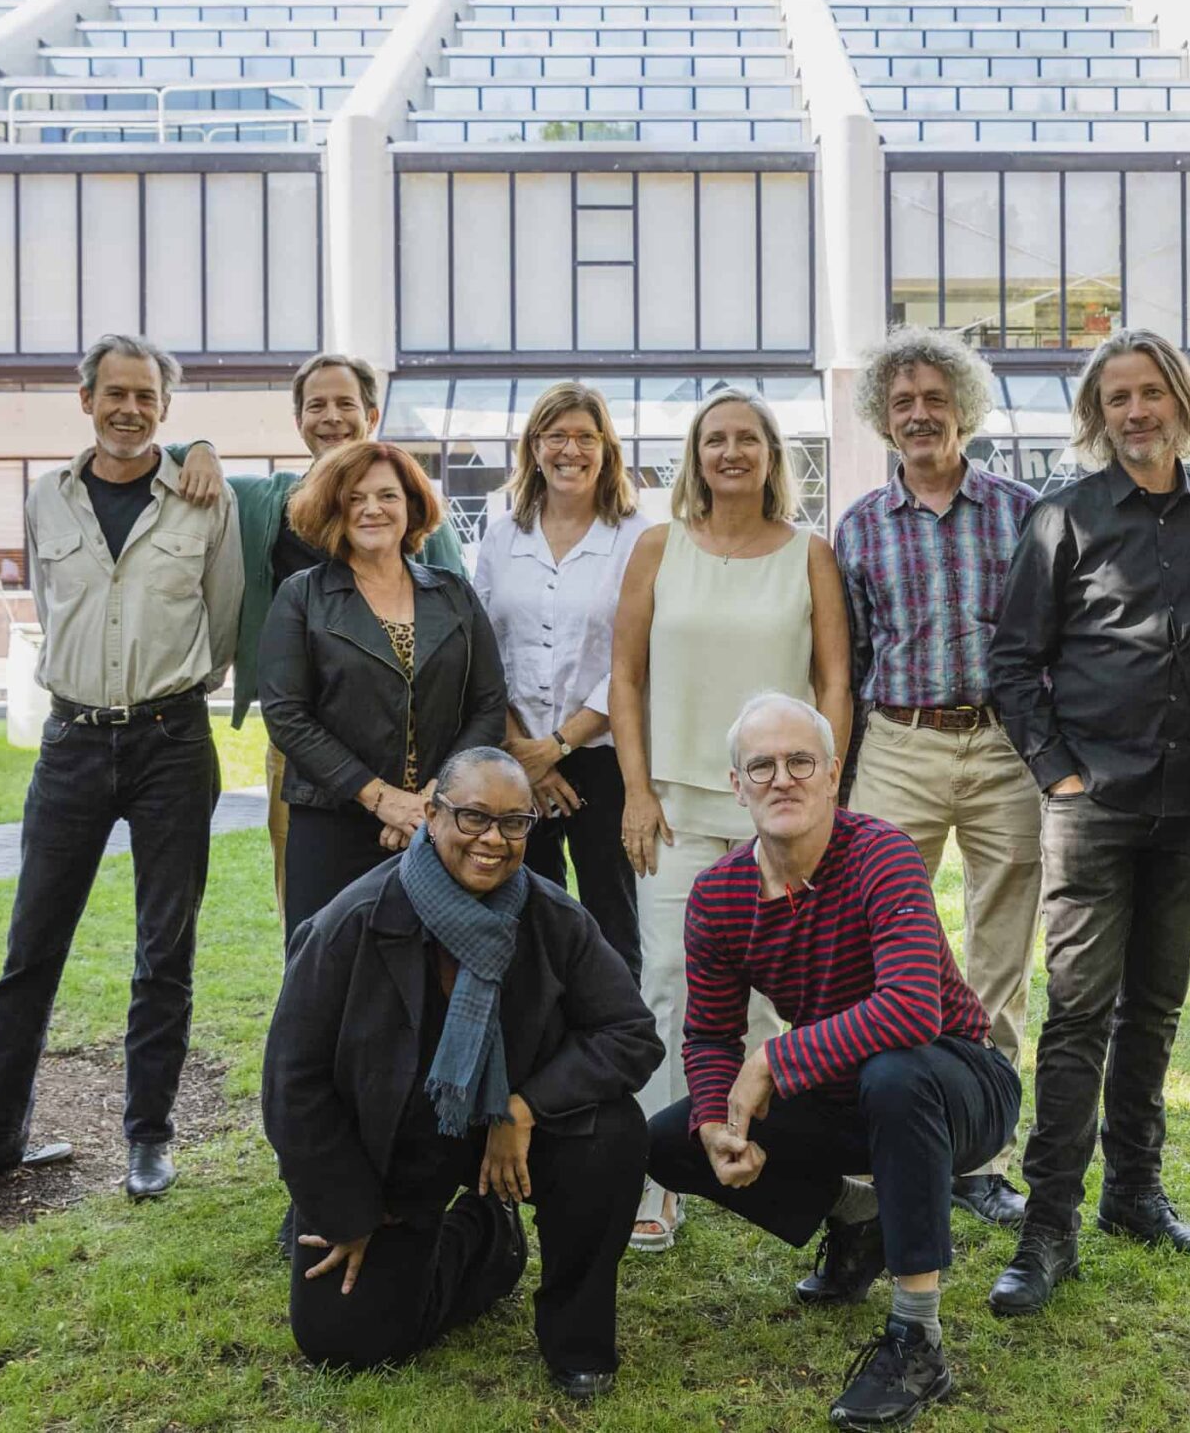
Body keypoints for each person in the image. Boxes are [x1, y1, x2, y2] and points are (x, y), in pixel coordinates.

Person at [0, 335, 240, 1204]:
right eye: (114, 393)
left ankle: (149, 1139)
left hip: (173, 743)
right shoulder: (45, 498)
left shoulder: (204, 499)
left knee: (163, 950)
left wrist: (202, 451)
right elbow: (50, 606)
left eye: (146, 395)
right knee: (30, 948)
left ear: (165, 409)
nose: (129, 408)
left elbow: (224, 621)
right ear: (87, 399)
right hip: (71, 745)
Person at [647, 695, 1019, 1430]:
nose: (781, 778)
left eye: (800, 762)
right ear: (737, 783)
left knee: (896, 1072)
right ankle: (859, 1216)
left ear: (831, 774)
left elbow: (913, 1010)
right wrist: (722, 1115)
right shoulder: (719, 895)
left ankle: (918, 1338)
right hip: (844, 1085)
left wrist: (774, 1062)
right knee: (669, 1136)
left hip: (959, 1078)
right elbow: (713, 1035)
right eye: (762, 765)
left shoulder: (880, 852)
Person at [985, 329, 1190, 1316]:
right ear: (1097, 416)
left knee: (1157, 1007)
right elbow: (1013, 662)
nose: (1134, 412)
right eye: (1115, 399)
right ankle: (1048, 1226)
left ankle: (1134, 1195)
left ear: (1180, 402)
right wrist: (1056, 776)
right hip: (1091, 803)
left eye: (1149, 394)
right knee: (1078, 1015)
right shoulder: (1063, 516)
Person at [262, 747, 661, 1404]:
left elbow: (631, 1034)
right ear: (432, 815)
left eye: (514, 823)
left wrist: (525, 1105)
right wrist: (351, 1211)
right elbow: (292, 1083)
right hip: (390, 1147)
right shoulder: (349, 923)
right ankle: (483, 1237)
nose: (493, 840)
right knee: (342, 1336)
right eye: (473, 816)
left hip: (514, 1133)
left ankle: (576, 1336)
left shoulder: (554, 918)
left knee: (613, 1133)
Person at [611, 385, 855, 1250]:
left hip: (781, 810)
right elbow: (627, 681)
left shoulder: (810, 555)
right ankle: (655, 1171)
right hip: (677, 803)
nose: (729, 452)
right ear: (695, 456)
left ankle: (750, 1154)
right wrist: (636, 790)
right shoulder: (656, 548)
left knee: (765, 1006)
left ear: (771, 454)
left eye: (746, 438)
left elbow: (833, 685)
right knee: (669, 983)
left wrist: (824, 791)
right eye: (714, 439)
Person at [831, 329, 1043, 1231]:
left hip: (1002, 747)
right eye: (902, 402)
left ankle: (983, 1153)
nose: (919, 414)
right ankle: (880, 1145)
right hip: (899, 743)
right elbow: (852, 654)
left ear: (965, 409)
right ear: (883, 418)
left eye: (934, 399)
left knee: (1001, 954)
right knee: (876, 944)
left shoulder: (1024, 510)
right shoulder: (858, 526)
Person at [168, 355, 464, 918]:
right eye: (316, 406)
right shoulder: (268, 504)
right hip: (303, 747)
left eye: (345, 404)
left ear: (371, 415)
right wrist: (199, 446)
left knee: (416, 897)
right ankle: (311, 1001)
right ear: (298, 419)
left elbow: (459, 612)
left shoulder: (410, 502)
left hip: (410, 744)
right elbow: (173, 462)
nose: (331, 418)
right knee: (308, 903)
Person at [258, 440, 507, 934]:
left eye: (387, 496)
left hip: (440, 824)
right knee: (326, 973)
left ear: (411, 507)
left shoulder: (453, 593)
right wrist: (380, 798)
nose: (372, 509)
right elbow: (287, 714)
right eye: (355, 498)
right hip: (332, 821)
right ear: (334, 509)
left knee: (430, 977)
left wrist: (435, 799)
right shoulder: (302, 595)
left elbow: (488, 705)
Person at [470, 383, 652, 972]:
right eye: (556, 436)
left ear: (607, 449)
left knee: (613, 919)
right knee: (524, 917)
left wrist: (557, 747)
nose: (569, 450)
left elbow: (635, 657)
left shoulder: (636, 538)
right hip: (512, 755)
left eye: (585, 437)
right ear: (534, 447)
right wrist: (525, 750)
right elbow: (481, 649)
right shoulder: (502, 536)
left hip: (602, 755)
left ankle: (616, 1049)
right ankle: (539, 1048)